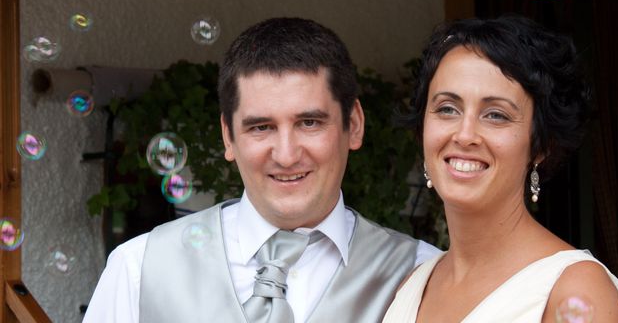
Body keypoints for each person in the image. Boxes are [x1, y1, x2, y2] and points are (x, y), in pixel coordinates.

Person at [83, 17, 440, 323]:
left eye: (310, 122)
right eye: (261, 127)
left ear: (355, 125)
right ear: (228, 136)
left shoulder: (422, 276)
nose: (286, 155)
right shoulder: (139, 268)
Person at [383, 15, 618, 322]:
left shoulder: (575, 290)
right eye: (447, 108)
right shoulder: (414, 284)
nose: (464, 134)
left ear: (540, 145)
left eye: (496, 115)